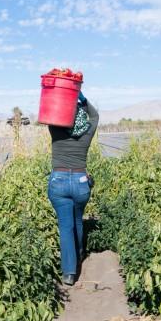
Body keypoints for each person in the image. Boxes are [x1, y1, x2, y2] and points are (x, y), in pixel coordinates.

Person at [48, 91, 99, 286]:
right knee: (77, 219)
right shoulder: (87, 132)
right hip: (80, 182)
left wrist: (61, 96)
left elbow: (50, 113)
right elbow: (95, 116)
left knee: (65, 226)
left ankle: (69, 273)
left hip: (59, 181)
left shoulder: (57, 131)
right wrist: (82, 99)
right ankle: (79, 254)